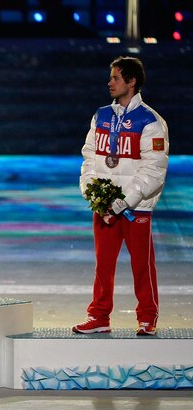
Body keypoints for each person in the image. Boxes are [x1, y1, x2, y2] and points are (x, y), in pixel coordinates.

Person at [73, 56, 169, 336]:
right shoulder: (101, 115)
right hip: (104, 207)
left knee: (142, 265)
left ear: (131, 81)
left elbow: (154, 170)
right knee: (103, 265)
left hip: (134, 208)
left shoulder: (150, 121)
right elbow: (89, 156)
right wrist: (92, 193)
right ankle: (99, 317)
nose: (110, 83)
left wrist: (123, 202)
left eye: (115, 78)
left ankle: (147, 317)